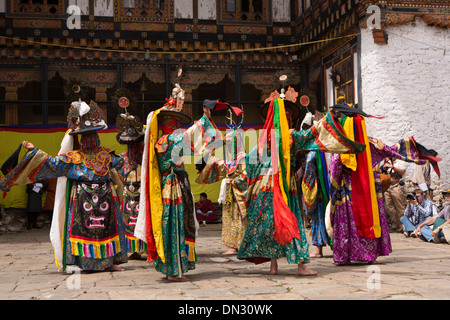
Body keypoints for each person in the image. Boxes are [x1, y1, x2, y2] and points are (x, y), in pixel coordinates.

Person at [236, 94, 366, 276]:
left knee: (275, 226)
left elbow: (247, 164)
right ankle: (301, 266)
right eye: (286, 115)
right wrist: (331, 116)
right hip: (284, 188)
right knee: (292, 223)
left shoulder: (262, 140)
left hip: (265, 191)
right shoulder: (290, 137)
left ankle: (273, 267)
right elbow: (313, 132)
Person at [0, 100, 128, 272]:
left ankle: (109, 262)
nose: (90, 138)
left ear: (97, 135)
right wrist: (34, 151)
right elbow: (52, 163)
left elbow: (122, 165)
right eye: (87, 135)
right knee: (85, 230)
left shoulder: (107, 154)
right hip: (83, 200)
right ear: (81, 138)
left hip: (104, 197)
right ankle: (86, 263)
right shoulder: (74, 157)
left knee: (107, 229)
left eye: (93, 135)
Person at [134, 84, 220, 282]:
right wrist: (205, 118)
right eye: (173, 122)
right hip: (173, 188)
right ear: (167, 122)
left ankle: (175, 267)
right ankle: (173, 270)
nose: (175, 125)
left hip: (175, 185)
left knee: (178, 224)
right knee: (174, 225)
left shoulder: (166, 139)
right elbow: (190, 136)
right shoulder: (167, 140)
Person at [115, 110, 147, 260]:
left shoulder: (147, 160)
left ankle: (145, 248)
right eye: (129, 144)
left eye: (134, 143)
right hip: (128, 195)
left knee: (143, 220)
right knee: (129, 222)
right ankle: (134, 249)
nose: (131, 146)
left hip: (142, 194)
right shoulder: (122, 158)